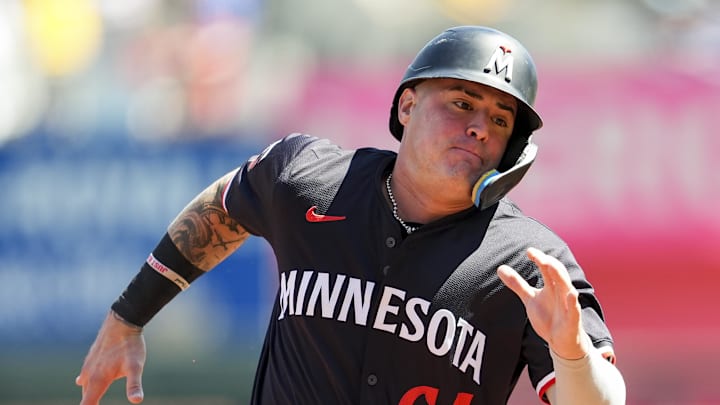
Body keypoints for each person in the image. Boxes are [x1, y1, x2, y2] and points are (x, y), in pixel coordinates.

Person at [76, 26, 626, 405]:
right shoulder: (307, 177)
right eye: (461, 103)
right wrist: (129, 316)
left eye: (500, 119)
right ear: (407, 105)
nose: (480, 126)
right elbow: (222, 208)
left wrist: (572, 353)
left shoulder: (530, 264)